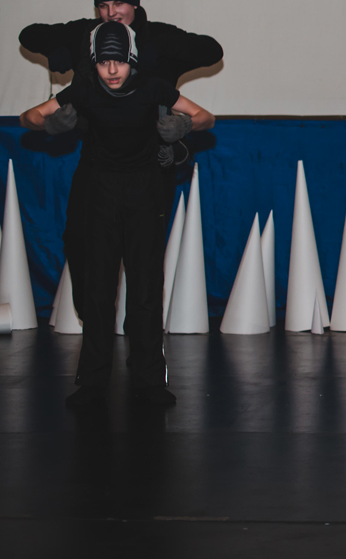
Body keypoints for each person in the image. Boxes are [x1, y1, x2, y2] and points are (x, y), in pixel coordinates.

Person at [20, 22, 214, 407]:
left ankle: (150, 381)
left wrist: (184, 124)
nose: (112, 70)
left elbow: (206, 117)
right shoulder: (84, 89)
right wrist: (49, 123)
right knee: (98, 290)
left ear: (132, 60)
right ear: (94, 61)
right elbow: (28, 117)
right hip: (100, 191)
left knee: (145, 288)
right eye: (104, 61)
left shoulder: (153, 87)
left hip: (144, 191)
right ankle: (92, 382)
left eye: (120, 61)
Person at [19, 0, 223, 321]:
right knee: (78, 239)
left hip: (151, 161)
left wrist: (176, 109)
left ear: (135, 4)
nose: (111, 12)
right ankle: (94, 320)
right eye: (103, 5)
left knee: (145, 258)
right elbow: (28, 35)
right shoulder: (86, 35)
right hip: (98, 161)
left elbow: (211, 50)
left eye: (119, 3)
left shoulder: (156, 38)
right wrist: (58, 49)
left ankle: (144, 337)